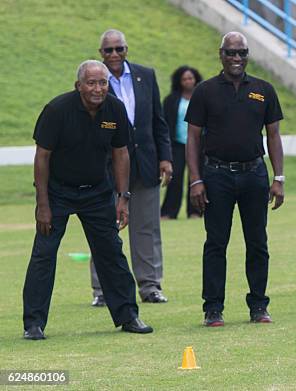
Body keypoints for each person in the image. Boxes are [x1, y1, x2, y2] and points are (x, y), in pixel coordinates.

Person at [22, 60, 153, 340]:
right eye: (91, 83)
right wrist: (42, 204)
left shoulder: (115, 109)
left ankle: (128, 316)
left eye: (102, 82)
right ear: (78, 85)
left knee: (111, 253)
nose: (98, 88)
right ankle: (33, 323)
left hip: (96, 192)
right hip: (58, 192)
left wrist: (123, 198)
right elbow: (41, 157)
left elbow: (121, 154)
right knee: (43, 255)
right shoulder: (56, 110)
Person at [185, 32, 285, 327]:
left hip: (254, 174)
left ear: (247, 55)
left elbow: (274, 135)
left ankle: (258, 305)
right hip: (216, 175)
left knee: (257, 242)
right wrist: (195, 179)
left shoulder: (263, 90)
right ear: (221, 54)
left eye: (242, 53)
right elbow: (192, 138)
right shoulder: (205, 91)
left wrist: (278, 177)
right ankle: (213, 308)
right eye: (231, 53)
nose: (237, 59)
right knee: (216, 242)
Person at [90, 29, 172, 307]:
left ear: (127, 49)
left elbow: (158, 121)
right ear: (100, 53)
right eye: (108, 50)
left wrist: (165, 157)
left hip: (146, 163)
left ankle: (150, 286)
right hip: (107, 169)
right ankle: (102, 290)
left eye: (119, 49)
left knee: (147, 228)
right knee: (104, 228)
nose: (114, 55)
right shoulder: (93, 80)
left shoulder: (145, 75)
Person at [160, 66, 203, 219]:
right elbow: (163, 123)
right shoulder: (171, 100)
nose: (188, 81)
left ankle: (195, 211)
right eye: (184, 79)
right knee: (175, 178)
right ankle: (168, 212)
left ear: (196, 79)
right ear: (179, 81)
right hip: (177, 145)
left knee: (196, 178)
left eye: (190, 78)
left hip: (198, 146)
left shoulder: (202, 98)